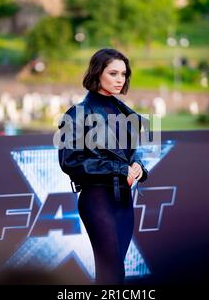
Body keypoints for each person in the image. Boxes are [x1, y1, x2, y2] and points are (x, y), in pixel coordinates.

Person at [57, 48, 149, 284]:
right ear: (98, 73)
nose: (120, 80)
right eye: (113, 73)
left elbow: (132, 152)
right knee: (112, 273)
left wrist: (138, 165)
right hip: (97, 200)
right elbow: (70, 161)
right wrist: (118, 169)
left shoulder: (127, 113)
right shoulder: (77, 113)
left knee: (115, 273)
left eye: (124, 74)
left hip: (124, 201)